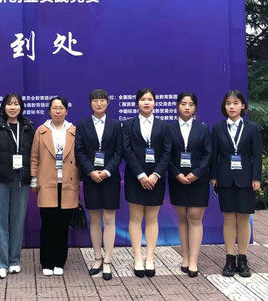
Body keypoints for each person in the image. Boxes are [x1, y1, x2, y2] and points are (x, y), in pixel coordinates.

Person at [210, 90, 262, 278]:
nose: (231, 107)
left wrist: (257, 178)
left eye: (235, 103)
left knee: (244, 219)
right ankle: (230, 259)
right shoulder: (218, 127)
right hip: (225, 179)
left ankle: (243, 258)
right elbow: (213, 155)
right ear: (224, 107)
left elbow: (257, 155)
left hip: (246, 179)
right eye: (228, 103)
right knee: (229, 219)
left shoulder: (252, 128)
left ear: (243, 106)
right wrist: (213, 177)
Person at [0, 93, 35, 279]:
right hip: (0, 181)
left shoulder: (28, 128)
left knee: (17, 221)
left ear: (21, 107)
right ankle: (0, 263)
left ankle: (14, 261)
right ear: (4, 107)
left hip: (21, 181)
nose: (13, 107)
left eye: (16, 104)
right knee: (0, 222)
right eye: (9, 104)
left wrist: (33, 178)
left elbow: (34, 155)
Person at [122, 88, 170, 278]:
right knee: (135, 218)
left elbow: (167, 153)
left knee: (152, 218)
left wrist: (156, 175)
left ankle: (150, 257)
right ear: (137, 103)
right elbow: (127, 151)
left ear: (155, 102)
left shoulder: (163, 126)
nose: (147, 102)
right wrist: (141, 175)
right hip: (135, 179)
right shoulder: (128, 125)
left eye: (150, 99)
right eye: (143, 99)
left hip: (156, 179)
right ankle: (137, 258)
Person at [75, 89, 122, 281]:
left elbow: (119, 151)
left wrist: (107, 171)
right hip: (91, 178)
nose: (99, 103)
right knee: (94, 219)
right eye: (95, 100)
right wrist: (91, 171)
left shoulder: (116, 125)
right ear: (90, 103)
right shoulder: (83, 125)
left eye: (102, 100)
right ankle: (97, 258)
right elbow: (79, 151)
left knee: (109, 219)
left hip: (110, 178)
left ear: (108, 103)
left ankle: (108, 260)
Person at [30, 97, 78, 276]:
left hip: (67, 184)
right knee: (48, 224)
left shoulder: (73, 131)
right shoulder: (41, 131)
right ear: (49, 111)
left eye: (61, 108)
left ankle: (59, 262)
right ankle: (47, 262)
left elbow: (80, 157)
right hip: (47, 183)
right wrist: (34, 179)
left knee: (62, 225)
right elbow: (34, 157)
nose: (58, 111)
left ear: (66, 111)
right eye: (54, 108)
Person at [167, 92, 211, 278]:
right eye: (183, 103)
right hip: (177, 179)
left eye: (191, 104)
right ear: (177, 106)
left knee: (194, 217)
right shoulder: (169, 128)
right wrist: (176, 173)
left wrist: (196, 173)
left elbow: (208, 154)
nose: (187, 107)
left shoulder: (203, 129)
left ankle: (194, 260)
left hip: (198, 180)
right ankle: (185, 257)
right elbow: (166, 154)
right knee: (183, 218)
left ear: (195, 108)